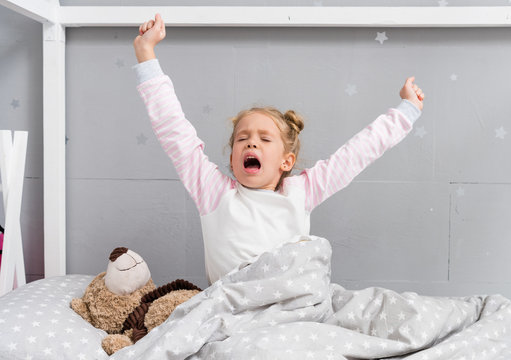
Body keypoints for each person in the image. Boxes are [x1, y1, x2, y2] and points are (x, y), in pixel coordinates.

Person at [133, 14, 425, 285]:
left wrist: (406, 111)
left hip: (288, 303)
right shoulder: (215, 193)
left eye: (264, 138)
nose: (251, 142)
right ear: (233, 157)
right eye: (242, 138)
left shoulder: (301, 192)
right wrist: (146, 55)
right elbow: (175, 132)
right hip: (232, 307)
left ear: (287, 161)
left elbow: (356, 154)